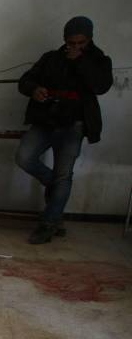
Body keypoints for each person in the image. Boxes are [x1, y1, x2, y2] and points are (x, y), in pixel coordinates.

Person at [15, 16, 113, 244]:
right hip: (46, 120)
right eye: (71, 42)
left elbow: (100, 86)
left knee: (64, 174)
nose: (76, 47)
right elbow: (25, 81)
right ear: (65, 39)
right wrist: (34, 89)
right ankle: (54, 186)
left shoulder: (99, 61)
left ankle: (49, 224)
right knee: (24, 157)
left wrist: (80, 62)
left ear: (89, 40)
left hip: (74, 125)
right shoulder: (51, 59)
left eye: (81, 43)